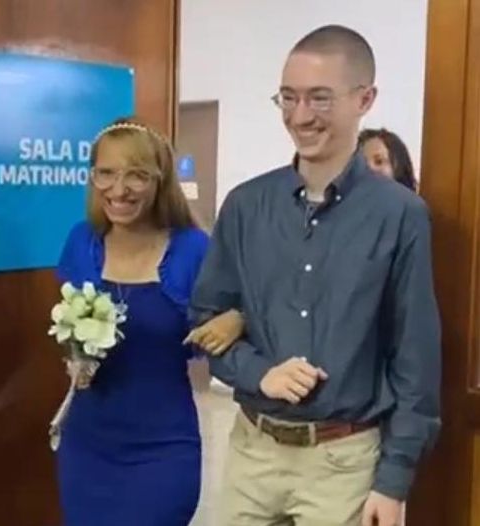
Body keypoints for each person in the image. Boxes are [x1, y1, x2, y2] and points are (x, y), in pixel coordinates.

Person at [190, 25, 441, 526]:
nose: (300, 116)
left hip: (343, 463)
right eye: (288, 97)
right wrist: (261, 371)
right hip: (252, 453)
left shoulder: (400, 215)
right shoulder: (245, 206)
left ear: (364, 99)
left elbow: (415, 358)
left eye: (319, 99)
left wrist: (393, 481)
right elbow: (206, 321)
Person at [55, 117, 242, 526]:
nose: (118, 189)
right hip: (87, 445)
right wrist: (75, 357)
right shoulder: (81, 241)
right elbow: (67, 326)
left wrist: (237, 319)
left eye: (136, 175)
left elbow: (247, 309)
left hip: (162, 449)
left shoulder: (194, 250)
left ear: (160, 180)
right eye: (106, 173)